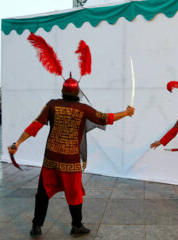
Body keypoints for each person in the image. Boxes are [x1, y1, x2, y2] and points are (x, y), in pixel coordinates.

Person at [8, 76, 135, 236]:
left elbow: (36, 124)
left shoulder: (52, 104)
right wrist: (126, 112)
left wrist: (17, 143)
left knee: (43, 194)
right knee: (74, 195)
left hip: (51, 160)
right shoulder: (83, 109)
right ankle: (77, 226)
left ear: (62, 91)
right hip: (70, 161)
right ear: (77, 92)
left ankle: (37, 226)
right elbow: (106, 118)